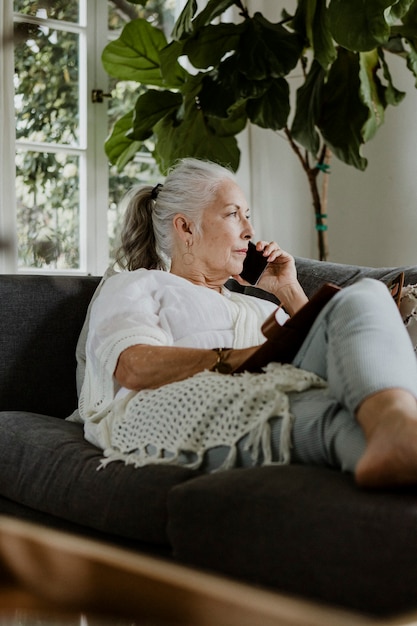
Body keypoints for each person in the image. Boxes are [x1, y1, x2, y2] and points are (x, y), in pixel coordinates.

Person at [77, 157, 417, 488]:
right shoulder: (137, 284)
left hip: (270, 393)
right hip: (166, 410)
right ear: (185, 227)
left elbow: (329, 355)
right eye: (232, 215)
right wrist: (241, 358)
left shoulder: (256, 306)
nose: (250, 231)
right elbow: (133, 367)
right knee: (331, 414)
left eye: (248, 216)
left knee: (366, 298)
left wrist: (288, 290)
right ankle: (399, 427)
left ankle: (395, 433)